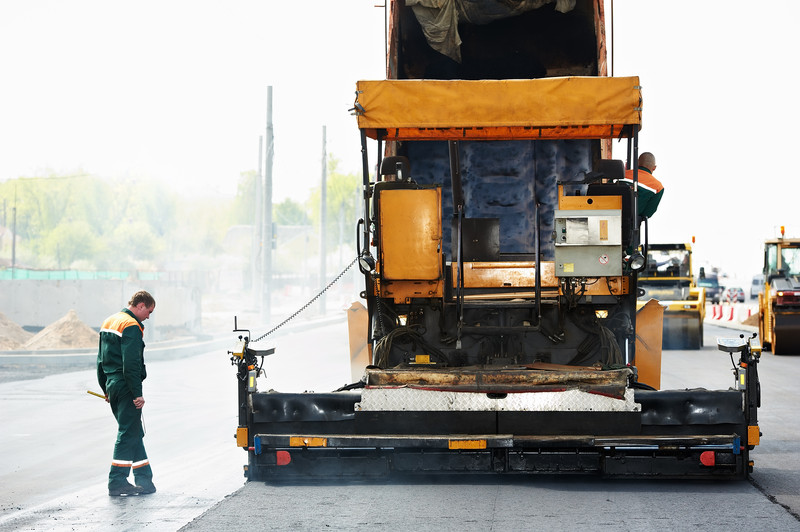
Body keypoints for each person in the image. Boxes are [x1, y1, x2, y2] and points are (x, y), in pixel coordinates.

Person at [97, 290, 156, 497]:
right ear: (140, 305)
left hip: (114, 385)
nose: (148, 316)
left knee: (133, 432)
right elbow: (131, 364)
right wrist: (137, 393)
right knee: (127, 433)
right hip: (125, 386)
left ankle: (144, 480)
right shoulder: (130, 325)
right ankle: (117, 481)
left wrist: (105, 389)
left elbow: (100, 361)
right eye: (148, 311)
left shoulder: (110, 321)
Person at [622, 152, 664, 218]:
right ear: (654, 168)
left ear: (637, 163)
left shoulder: (621, 175)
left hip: (607, 213)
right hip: (630, 223)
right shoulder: (658, 187)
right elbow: (647, 213)